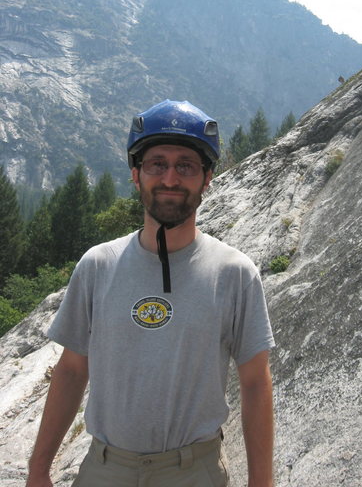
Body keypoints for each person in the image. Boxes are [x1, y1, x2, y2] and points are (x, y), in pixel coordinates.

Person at [26, 100, 275, 487]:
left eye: (186, 166)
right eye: (157, 163)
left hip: (195, 471)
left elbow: (256, 382)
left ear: (207, 179)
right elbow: (72, 371)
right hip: (104, 470)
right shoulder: (97, 265)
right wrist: (38, 469)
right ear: (135, 174)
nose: (171, 178)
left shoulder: (235, 273)